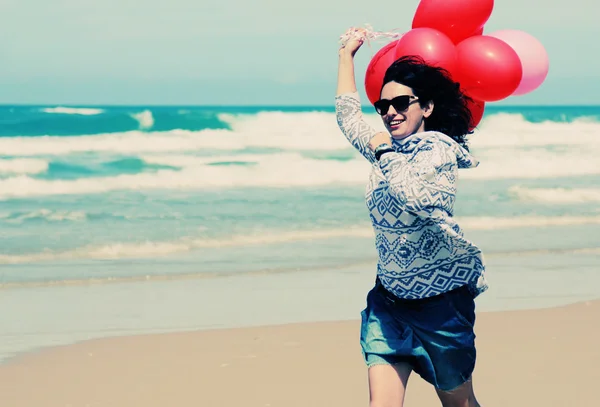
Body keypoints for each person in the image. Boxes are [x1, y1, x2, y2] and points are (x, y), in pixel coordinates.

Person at [335, 29, 489, 407]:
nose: (390, 112)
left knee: (458, 403)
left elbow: (416, 197)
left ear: (428, 108)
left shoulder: (439, 151)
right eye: (382, 106)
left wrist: (385, 153)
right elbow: (348, 118)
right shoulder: (387, 150)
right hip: (389, 301)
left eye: (401, 102)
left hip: (442, 306)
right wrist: (345, 56)